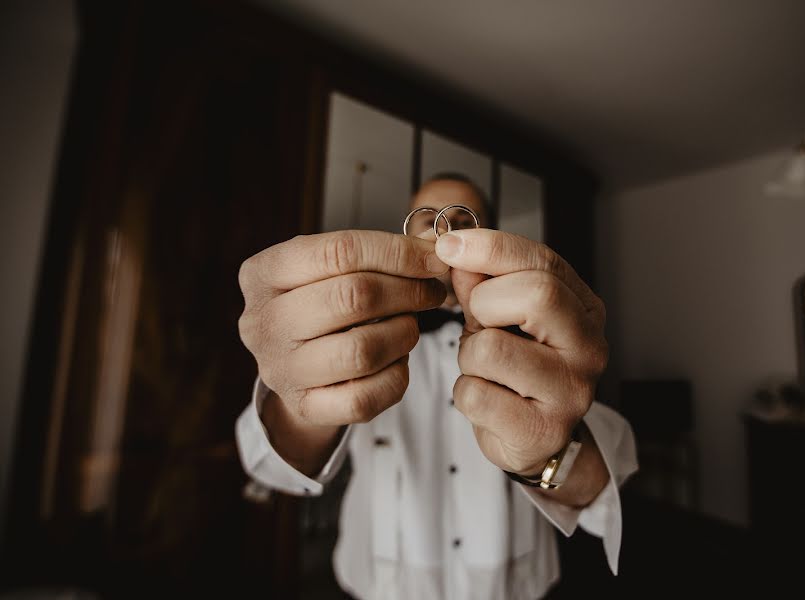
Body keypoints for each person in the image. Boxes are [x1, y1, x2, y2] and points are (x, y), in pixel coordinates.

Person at [234, 173, 638, 599]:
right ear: (406, 233)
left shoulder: (540, 341)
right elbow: (266, 465)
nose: (443, 233)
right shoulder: (354, 332)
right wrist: (309, 397)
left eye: (461, 221)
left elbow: (607, 483)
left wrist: (545, 453)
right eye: (427, 220)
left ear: (489, 237)